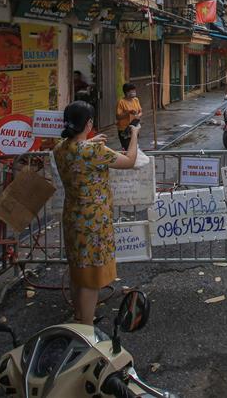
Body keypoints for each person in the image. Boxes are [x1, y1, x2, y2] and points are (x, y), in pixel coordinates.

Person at [53, 101, 140, 325]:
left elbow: (76, 149)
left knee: (77, 271)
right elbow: (130, 161)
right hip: (94, 220)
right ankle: (87, 328)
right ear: (89, 123)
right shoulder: (94, 151)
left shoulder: (60, 148)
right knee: (91, 278)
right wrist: (134, 135)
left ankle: (79, 315)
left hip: (72, 216)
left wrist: (89, 141)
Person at [115, 82, 142, 150]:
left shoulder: (136, 100)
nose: (134, 92)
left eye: (134, 91)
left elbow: (140, 111)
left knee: (134, 146)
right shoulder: (121, 102)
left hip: (134, 127)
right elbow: (118, 117)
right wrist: (128, 112)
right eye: (132, 91)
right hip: (124, 129)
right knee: (127, 148)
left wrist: (138, 115)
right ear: (127, 92)